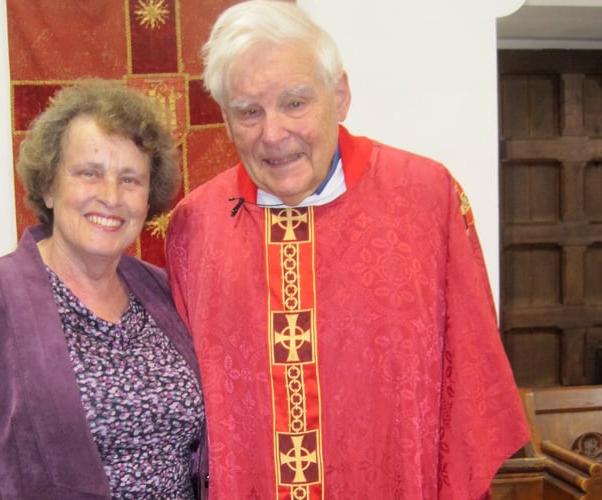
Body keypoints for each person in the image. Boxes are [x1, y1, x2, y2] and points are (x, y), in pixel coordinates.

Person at [164, 1, 530, 498]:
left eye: (295, 103)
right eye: (249, 112)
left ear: (339, 96)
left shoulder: (427, 199)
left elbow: (470, 381)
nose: (273, 134)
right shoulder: (195, 225)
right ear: (226, 121)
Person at [0, 79, 207, 499]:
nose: (110, 196)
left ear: (149, 199)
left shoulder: (167, 292)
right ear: (50, 187)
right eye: (89, 173)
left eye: (130, 179)